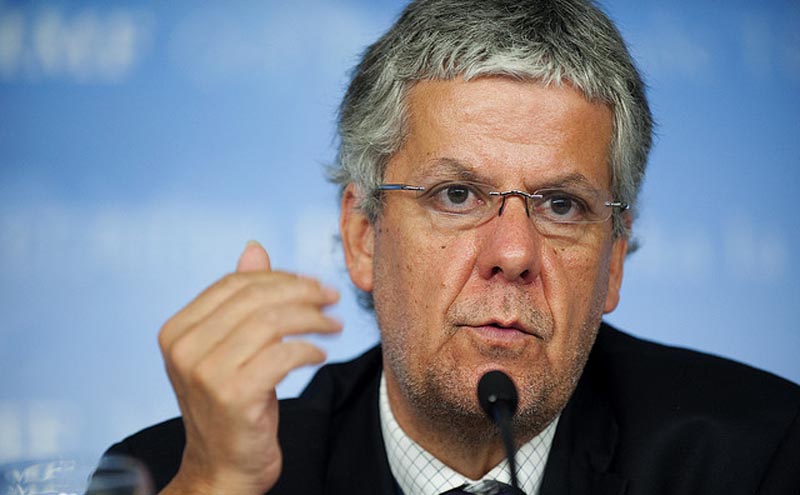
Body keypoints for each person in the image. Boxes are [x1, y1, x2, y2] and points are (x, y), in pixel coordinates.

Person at [101, 0, 800, 494]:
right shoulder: (178, 474)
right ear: (363, 234)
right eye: (457, 195)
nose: (515, 253)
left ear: (614, 258)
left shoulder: (763, 458)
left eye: (562, 205)